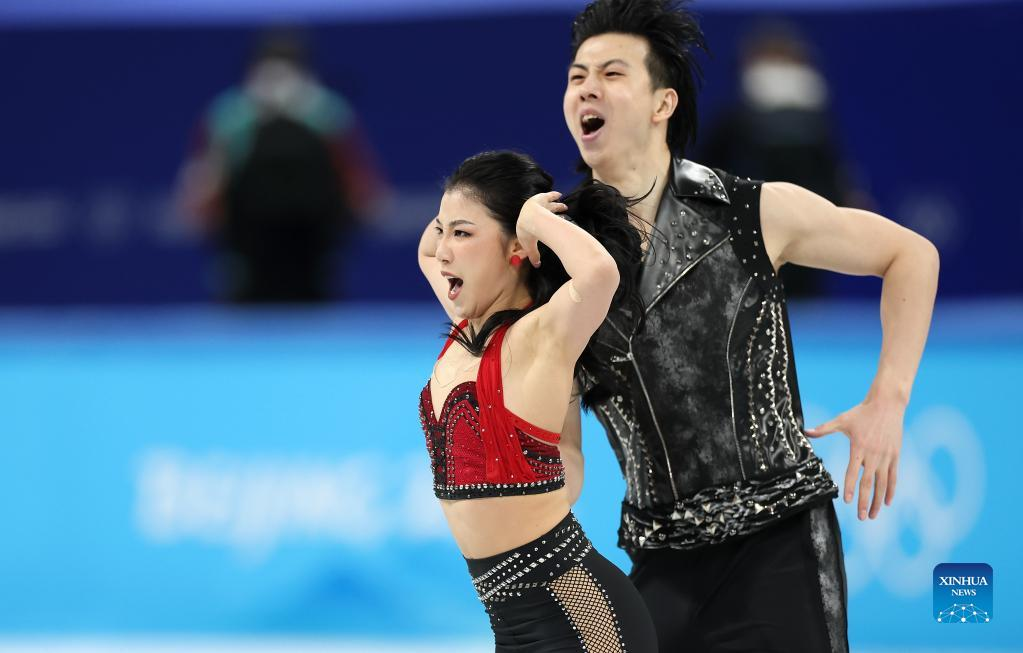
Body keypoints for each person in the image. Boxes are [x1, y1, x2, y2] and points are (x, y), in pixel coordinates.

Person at [559, 1, 940, 651]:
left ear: (662, 103)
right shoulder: (561, 257)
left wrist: (888, 399)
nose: (586, 88)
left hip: (780, 543)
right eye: (576, 77)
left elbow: (911, 254)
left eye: (611, 73)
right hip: (659, 556)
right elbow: (564, 447)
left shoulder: (748, 210)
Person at [417, 150, 656, 652]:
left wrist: (535, 219)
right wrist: (460, 209)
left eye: (462, 234)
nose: (443, 251)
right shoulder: (466, 326)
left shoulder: (542, 333)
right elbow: (426, 252)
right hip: (513, 625)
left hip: (582, 618)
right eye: (443, 231)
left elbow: (599, 273)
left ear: (517, 247)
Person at [178, 31, 387, 303]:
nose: (278, 85)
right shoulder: (229, 118)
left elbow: (366, 199)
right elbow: (198, 204)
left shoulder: (330, 116)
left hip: (314, 266)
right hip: (245, 266)